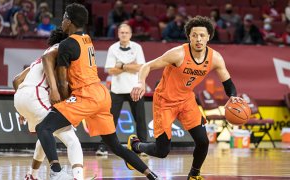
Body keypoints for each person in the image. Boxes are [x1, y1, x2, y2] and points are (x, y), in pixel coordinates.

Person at [35, 3, 159, 180]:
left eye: (63, 18)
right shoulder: (86, 38)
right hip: (102, 94)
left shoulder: (66, 44)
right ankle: (151, 174)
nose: (61, 21)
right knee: (115, 145)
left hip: (86, 95)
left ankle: (56, 172)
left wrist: (63, 104)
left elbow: (62, 83)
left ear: (68, 21)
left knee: (43, 127)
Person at [128, 16, 244, 180]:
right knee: (162, 152)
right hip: (164, 101)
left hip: (186, 101)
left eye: (202, 35)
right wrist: (140, 83)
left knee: (203, 141)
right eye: (194, 35)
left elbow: (227, 81)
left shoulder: (215, 58)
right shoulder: (177, 54)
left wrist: (232, 96)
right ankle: (136, 145)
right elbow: (148, 66)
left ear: (208, 37)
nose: (198, 39)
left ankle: (194, 175)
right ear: (189, 36)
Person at [13, 29, 84, 180]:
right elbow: (61, 82)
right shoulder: (62, 50)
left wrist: (22, 110)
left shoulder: (39, 58)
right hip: (36, 96)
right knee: (71, 139)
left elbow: (16, 80)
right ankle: (75, 176)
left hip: (20, 97)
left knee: (45, 133)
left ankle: (32, 175)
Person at [96, 23, 147, 156]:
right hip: (117, 89)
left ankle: (143, 147)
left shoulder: (137, 47)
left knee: (140, 119)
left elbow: (140, 67)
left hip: (135, 88)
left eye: (126, 32)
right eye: (121, 32)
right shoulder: (113, 48)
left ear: (130, 34)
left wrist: (122, 65)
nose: (124, 35)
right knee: (110, 120)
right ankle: (103, 147)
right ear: (118, 34)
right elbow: (110, 70)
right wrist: (130, 66)